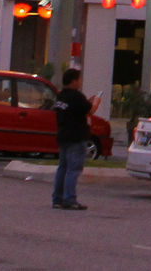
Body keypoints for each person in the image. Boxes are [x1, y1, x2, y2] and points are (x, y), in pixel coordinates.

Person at [51, 68, 97, 211]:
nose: (80, 82)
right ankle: (69, 199)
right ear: (73, 81)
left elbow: (78, 108)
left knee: (62, 168)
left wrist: (87, 103)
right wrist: (96, 102)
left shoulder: (61, 96)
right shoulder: (77, 96)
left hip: (63, 134)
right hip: (76, 136)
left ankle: (57, 198)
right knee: (73, 169)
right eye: (78, 79)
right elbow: (90, 110)